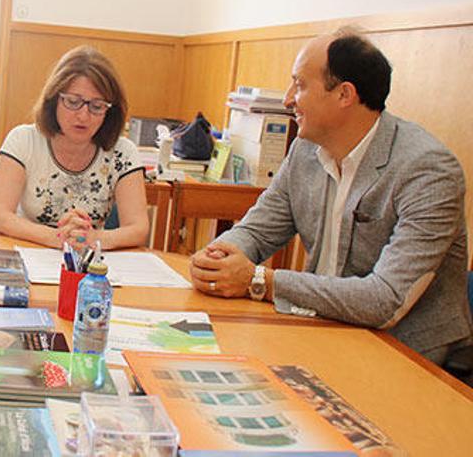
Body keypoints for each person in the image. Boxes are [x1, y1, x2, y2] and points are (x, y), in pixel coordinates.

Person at [189, 29, 472, 364]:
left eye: (300, 84)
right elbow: (257, 230)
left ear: (344, 94)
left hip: (409, 356)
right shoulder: (304, 151)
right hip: (323, 332)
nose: (288, 99)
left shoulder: (427, 170)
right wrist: (220, 258)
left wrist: (258, 280)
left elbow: (385, 300)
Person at [0, 46, 149, 251]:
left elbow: (138, 228)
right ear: (54, 99)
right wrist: (58, 238)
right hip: (28, 252)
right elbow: (0, 215)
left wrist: (93, 238)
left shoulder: (123, 152)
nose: (83, 116)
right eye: (73, 102)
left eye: (97, 106)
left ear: (110, 111)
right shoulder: (23, 140)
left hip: (88, 263)